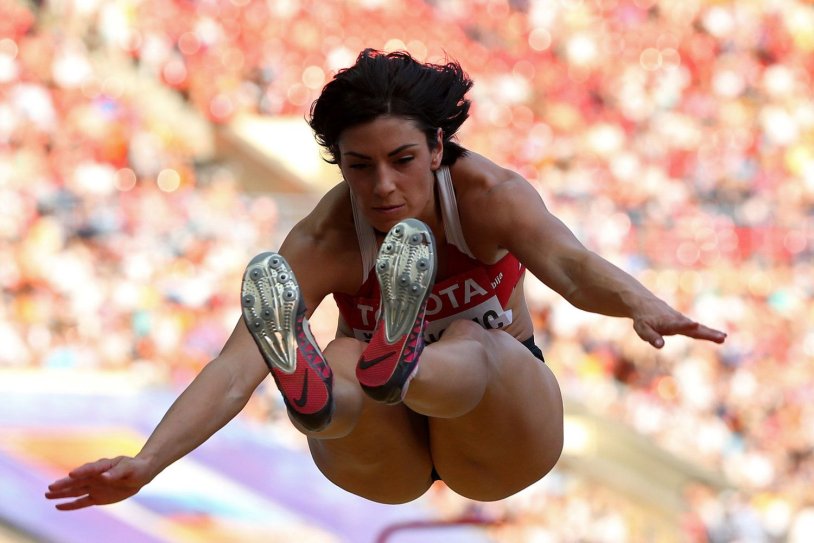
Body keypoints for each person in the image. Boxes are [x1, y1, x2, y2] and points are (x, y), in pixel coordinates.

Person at [45, 49, 727, 508]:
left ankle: (394, 365)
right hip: (380, 454)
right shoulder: (327, 235)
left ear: (438, 145)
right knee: (339, 357)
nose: (383, 185)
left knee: (470, 340)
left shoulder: (489, 195)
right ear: (337, 162)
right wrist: (148, 461)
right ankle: (327, 392)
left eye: (402, 159)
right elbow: (234, 367)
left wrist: (641, 302)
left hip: (498, 433)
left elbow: (571, 266)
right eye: (358, 165)